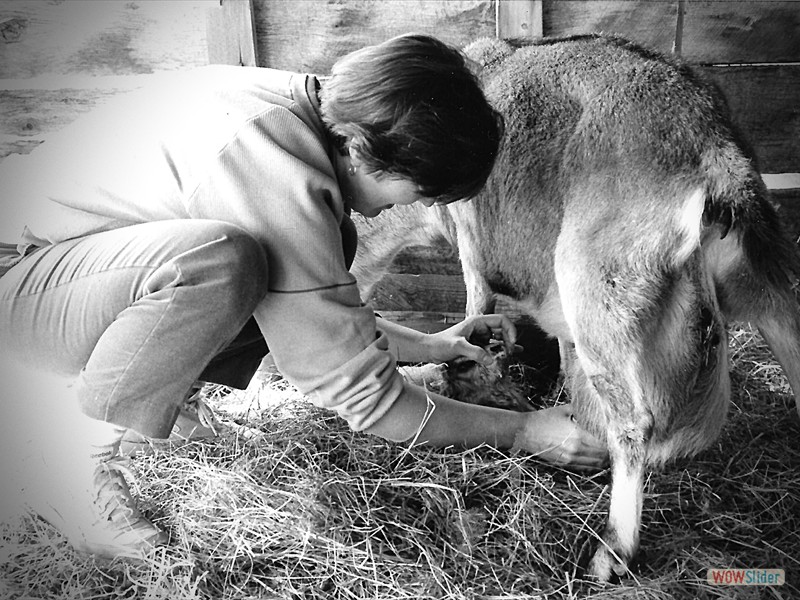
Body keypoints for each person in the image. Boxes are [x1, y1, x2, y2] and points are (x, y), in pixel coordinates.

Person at [0, 34, 607, 561]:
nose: (416, 206)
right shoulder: (266, 161)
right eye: (421, 191)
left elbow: (314, 316)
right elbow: (369, 401)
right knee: (217, 261)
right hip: (24, 286)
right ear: (363, 152)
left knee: (256, 258)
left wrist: (434, 345)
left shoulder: (310, 118)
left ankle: (161, 403)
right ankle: (78, 465)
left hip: (87, 281)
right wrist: (525, 431)